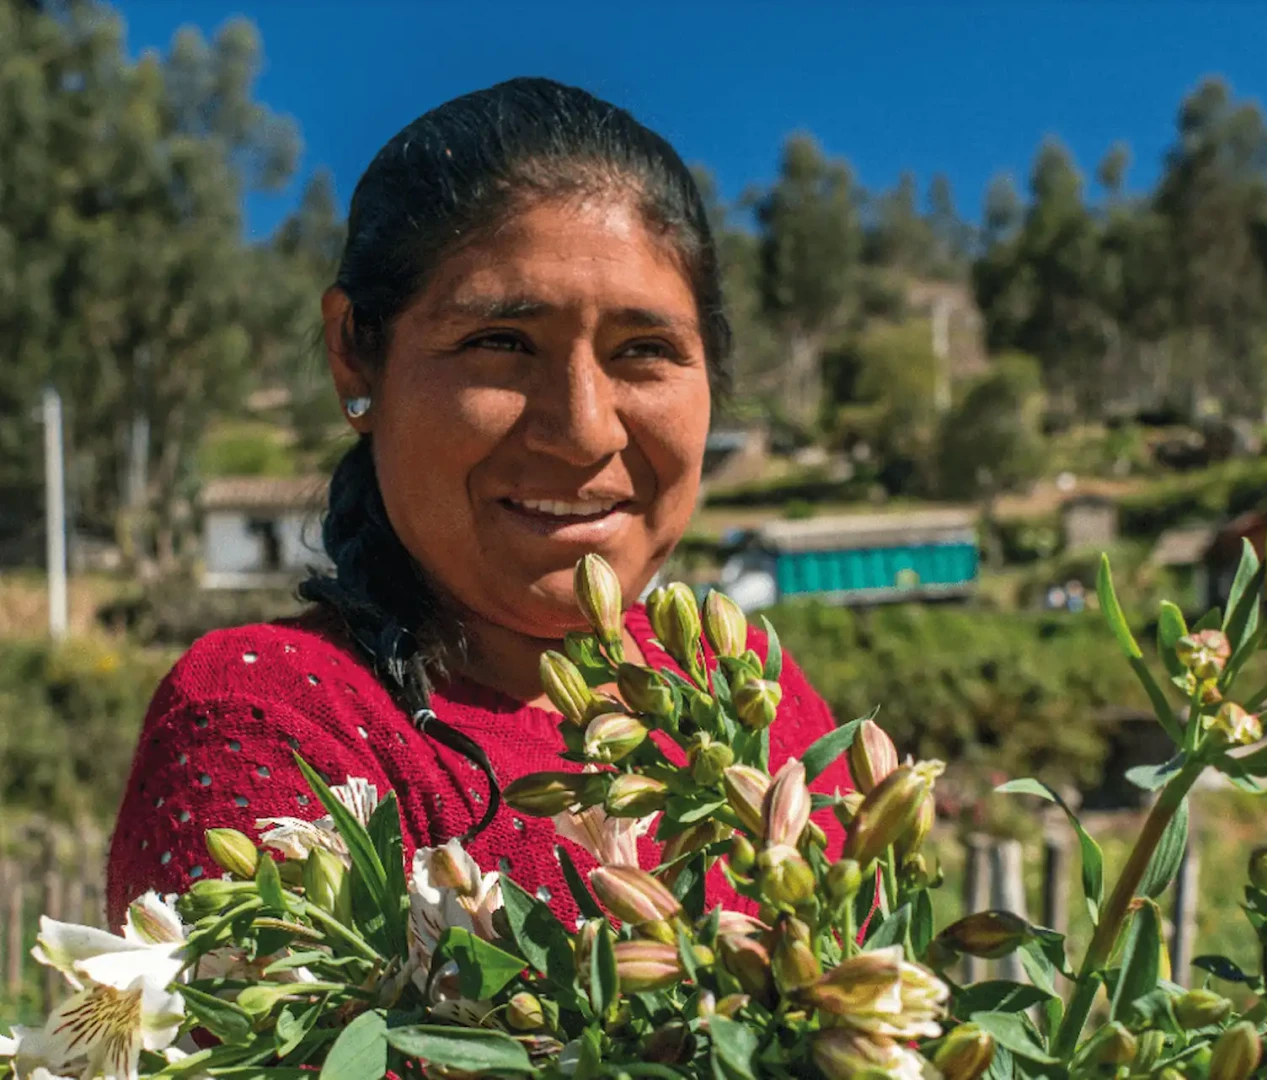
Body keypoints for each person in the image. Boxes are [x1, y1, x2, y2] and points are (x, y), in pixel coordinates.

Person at [105, 78, 851, 928]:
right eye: (499, 344)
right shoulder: (269, 722)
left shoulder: (753, 700)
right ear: (355, 356)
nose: (580, 431)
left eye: (645, 350)